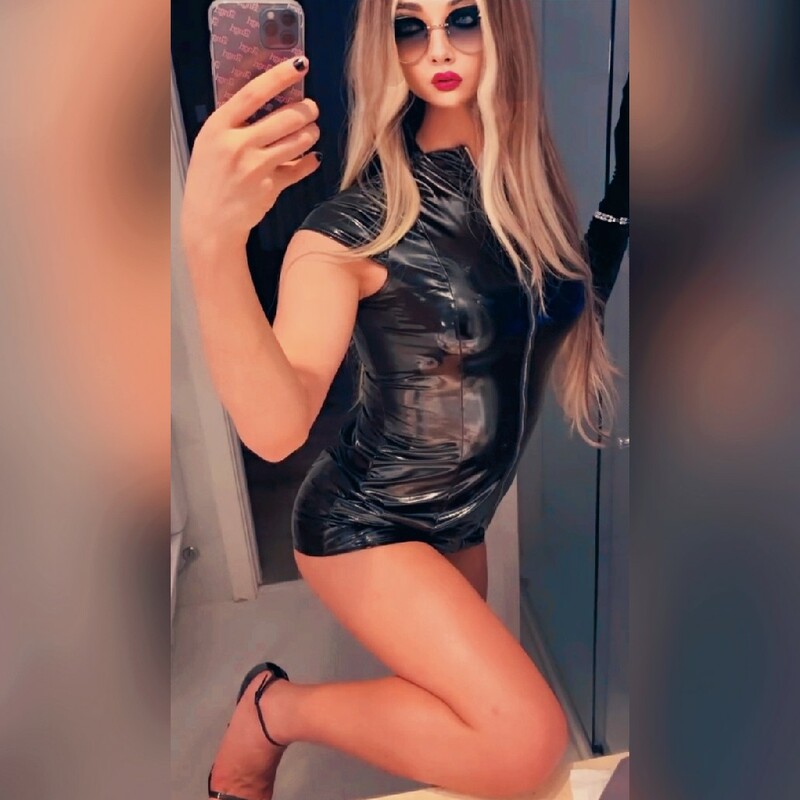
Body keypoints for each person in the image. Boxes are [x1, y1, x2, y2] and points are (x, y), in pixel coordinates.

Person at [180, 1, 629, 797]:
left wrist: (624, 193)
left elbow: (559, 307)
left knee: (473, 729)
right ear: (385, 49)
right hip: (365, 524)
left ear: (505, 28)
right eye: (410, 26)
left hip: (462, 522)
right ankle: (272, 711)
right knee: (524, 741)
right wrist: (212, 245)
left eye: (463, 18)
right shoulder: (355, 227)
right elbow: (276, 430)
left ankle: (278, 709)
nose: (439, 49)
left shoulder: (524, 200)